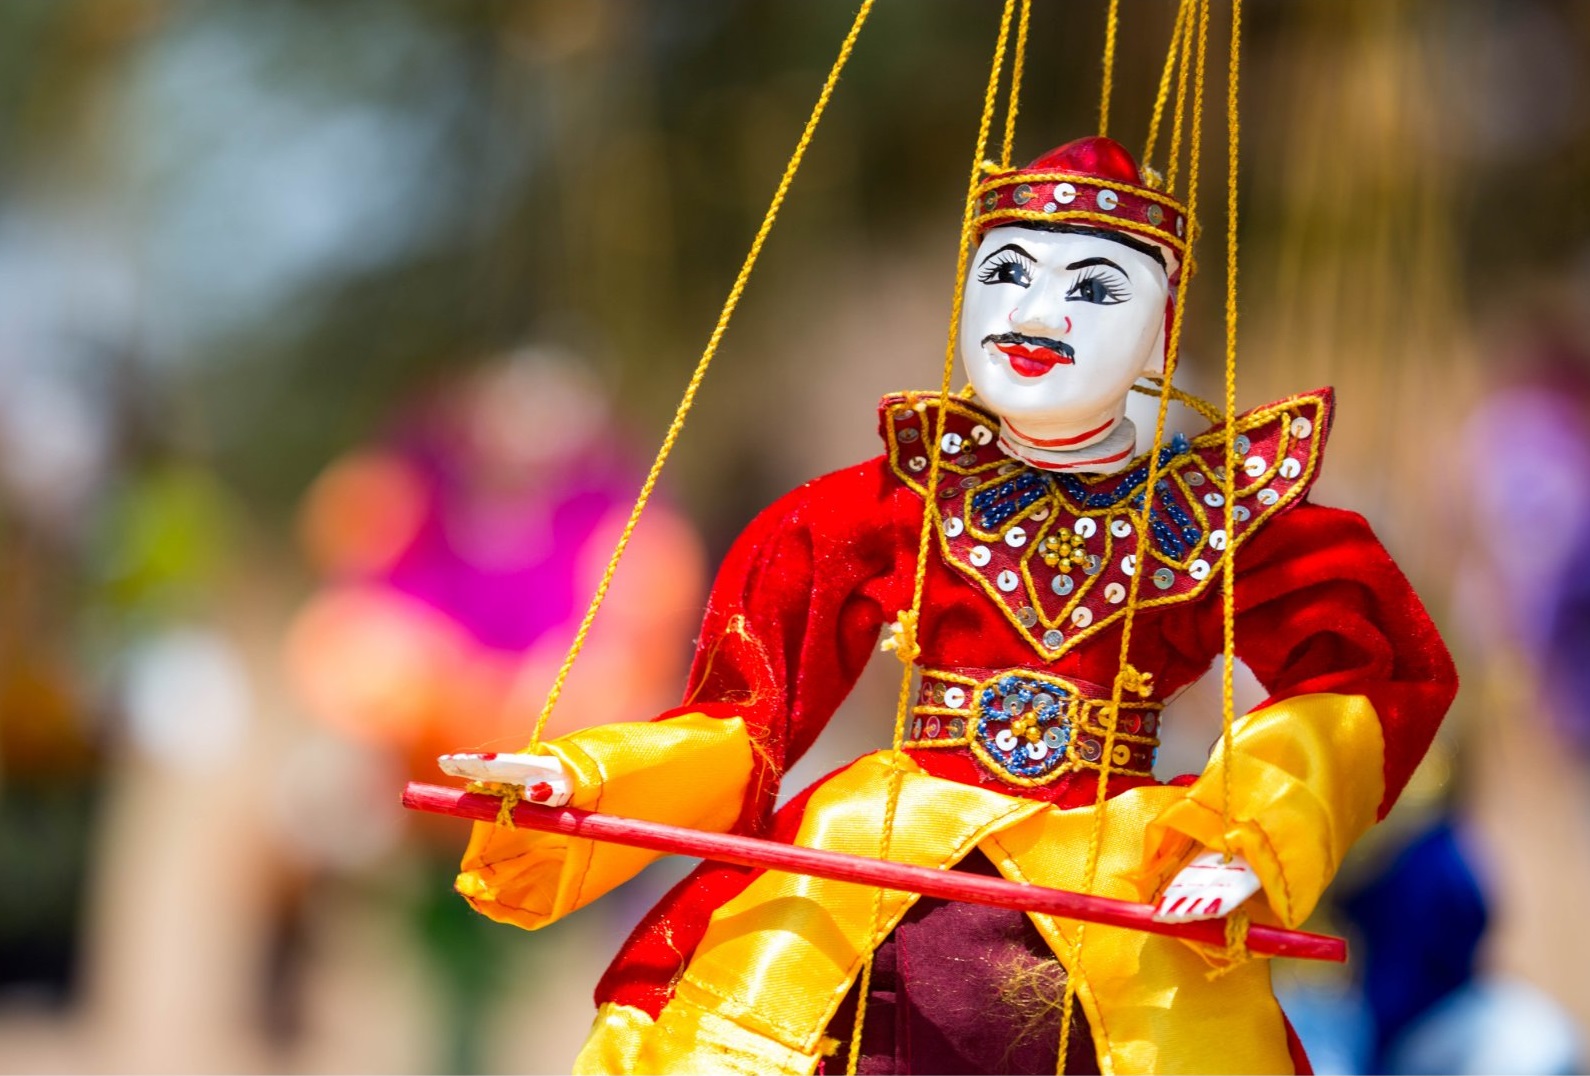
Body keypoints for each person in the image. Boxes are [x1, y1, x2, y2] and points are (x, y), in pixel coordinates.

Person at [439, 138, 1457, 1074]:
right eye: (1005, 273)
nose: (1035, 315)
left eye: (1095, 289)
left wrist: (1244, 829)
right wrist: (578, 776)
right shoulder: (878, 507)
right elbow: (746, 718)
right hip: (880, 845)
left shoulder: (1226, 520)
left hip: (1120, 871)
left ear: (1162, 329)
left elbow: (1371, 674)